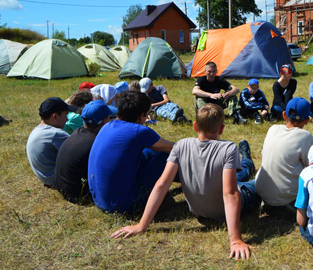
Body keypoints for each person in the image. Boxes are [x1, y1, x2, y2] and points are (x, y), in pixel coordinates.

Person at [110, 104, 258, 261]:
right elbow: (230, 193)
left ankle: (246, 160)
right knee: (259, 181)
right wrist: (235, 240)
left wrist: (141, 225)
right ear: (221, 129)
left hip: (198, 211)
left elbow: (162, 184)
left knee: (240, 173)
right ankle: (246, 159)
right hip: (228, 206)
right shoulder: (228, 148)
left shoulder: (180, 145)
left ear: (195, 126)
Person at [88, 91, 175, 213]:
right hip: (121, 205)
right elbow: (174, 148)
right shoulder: (139, 131)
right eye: (147, 115)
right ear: (141, 116)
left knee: (148, 152)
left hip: (99, 200)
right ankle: (196, 184)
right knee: (165, 156)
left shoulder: (107, 125)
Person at [256, 97, 313, 212]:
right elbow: (312, 166)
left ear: (284, 115)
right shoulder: (305, 136)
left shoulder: (272, 129)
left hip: (262, 192)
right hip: (287, 198)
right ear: (307, 120)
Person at [54, 100, 116, 203]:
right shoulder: (97, 143)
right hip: (79, 195)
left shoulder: (77, 132)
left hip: (63, 189)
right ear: (104, 121)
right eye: (110, 117)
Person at [26, 97, 76, 186]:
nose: (67, 119)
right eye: (66, 115)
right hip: (58, 180)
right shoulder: (56, 134)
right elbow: (80, 153)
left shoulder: (36, 130)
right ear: (55, 116)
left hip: (46, 178)